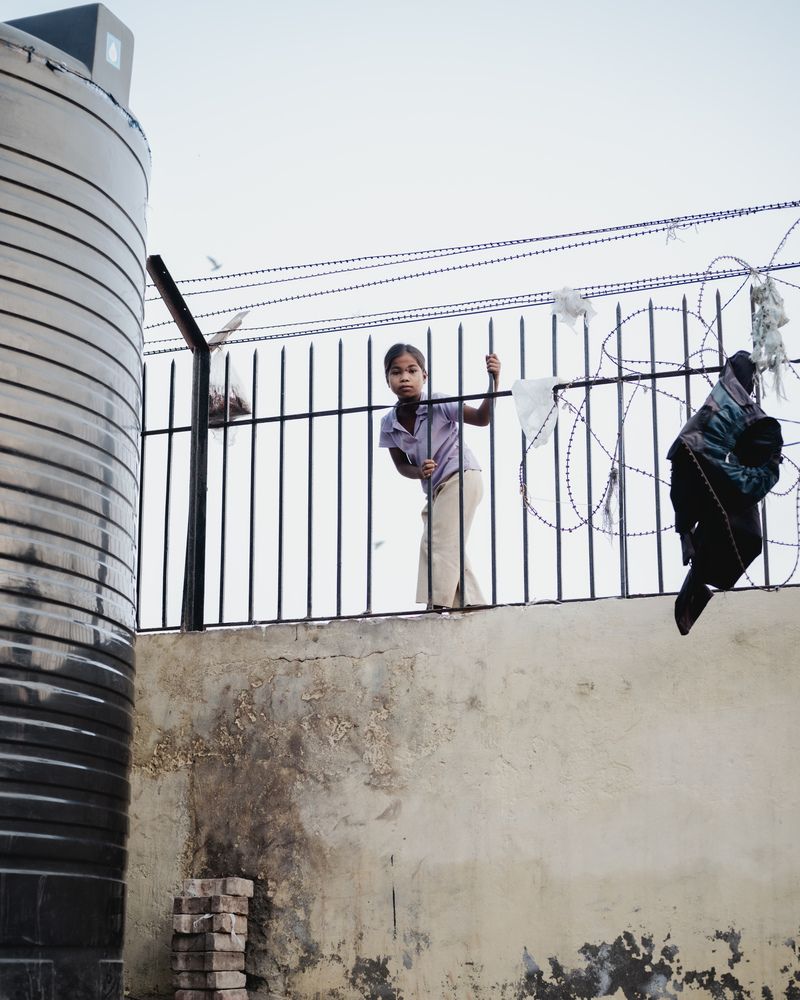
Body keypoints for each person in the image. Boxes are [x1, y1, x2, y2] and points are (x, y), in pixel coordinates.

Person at [379, 343, 501, 609]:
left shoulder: (438, 403)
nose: (404, 377)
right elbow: (401, 465)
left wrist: (493, 382)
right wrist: (418, 471)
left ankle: (437, 604)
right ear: (387, 380)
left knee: (436, 542)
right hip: (436, 490)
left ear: (424, 376)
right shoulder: (388, 423)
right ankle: (472, 604)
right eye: (396, 372)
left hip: (462, 476)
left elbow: (482, 418)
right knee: (447, 544)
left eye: (412, 371)